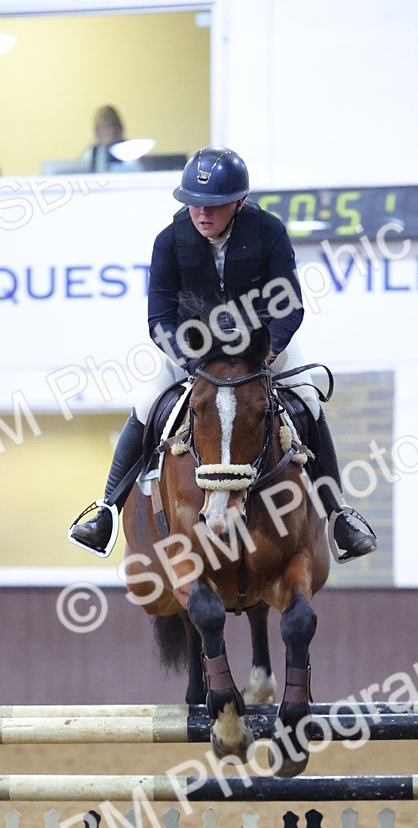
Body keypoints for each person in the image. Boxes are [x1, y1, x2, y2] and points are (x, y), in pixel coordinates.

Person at [69, 145, 376, 562]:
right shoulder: (169, 241)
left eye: (212, 204)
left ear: (239, 201)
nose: (202, 213)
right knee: (145, 406)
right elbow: (160, 318)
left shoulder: (268, 231)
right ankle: (105, 509)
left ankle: (340, 516)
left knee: (308, 402)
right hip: (195, 350)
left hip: (262, 344)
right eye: (193, 203)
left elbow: (290, 305)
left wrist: (265, 354)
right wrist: (196, 364)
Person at [88, 105, 125, 172]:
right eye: (100, 127)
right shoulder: (94, 150)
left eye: (108, 127)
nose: (104, 132)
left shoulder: (127, 148)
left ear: (117, 127)